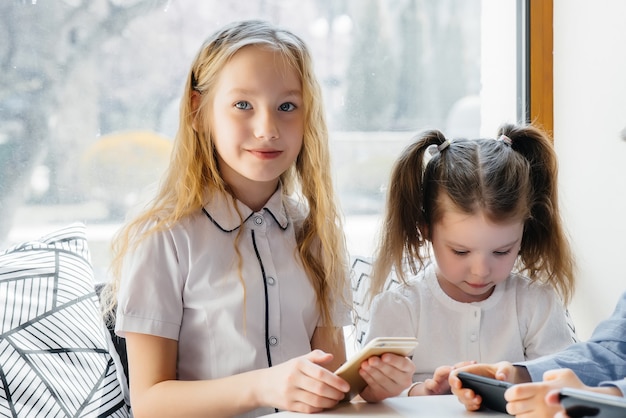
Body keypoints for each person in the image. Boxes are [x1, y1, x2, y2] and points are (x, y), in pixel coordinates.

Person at [99, 20, 414, 418]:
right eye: (243, 105)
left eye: (287, 107)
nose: (267, 129)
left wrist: (368, 387)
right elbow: (150, 403)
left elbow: (329, 384)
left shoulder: (316, 235)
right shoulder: (164, 238)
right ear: (199, 110)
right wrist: (262, 387)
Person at [362, 124, 577, 397]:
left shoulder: (537, 304)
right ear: (425, 229)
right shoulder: (400, 308)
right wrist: (424, 393)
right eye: (460, 252)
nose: (481, 271)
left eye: (502, 252)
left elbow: (560, 385)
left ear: (526, 230)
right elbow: (367, 397)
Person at [450, 290, 626, 418]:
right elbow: (612, 351)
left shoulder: (538, 297)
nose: (481, 270)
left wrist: (604, 400)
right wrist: (518, 376)